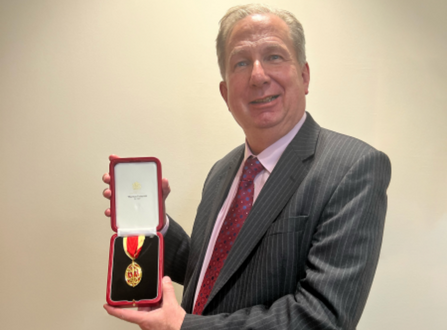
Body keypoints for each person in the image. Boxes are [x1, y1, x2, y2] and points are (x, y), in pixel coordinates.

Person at [103, 4, 391, 330]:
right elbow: (213, 275)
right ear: (226, 93)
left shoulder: (353, 168)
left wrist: (185, 328)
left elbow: (321, 318)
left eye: (274, 56)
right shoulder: (221, 172)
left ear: (304, 75)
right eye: (241, 63)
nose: (257, 76)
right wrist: (156, 223)